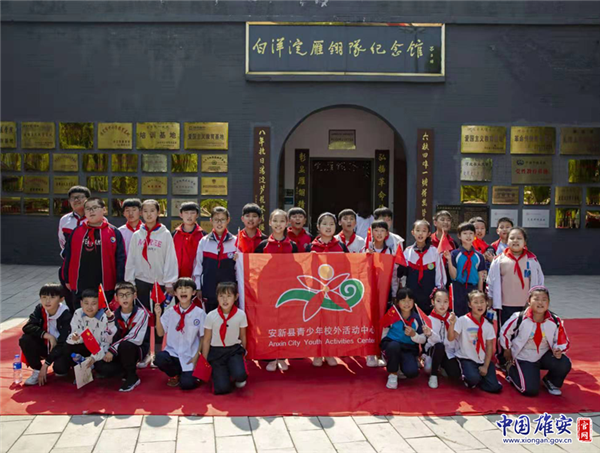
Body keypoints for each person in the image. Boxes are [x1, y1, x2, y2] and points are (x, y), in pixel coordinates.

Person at [125, 199, 178, 360]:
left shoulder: (165, 234)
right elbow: (131, 259)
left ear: (158, 213)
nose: (149, 214)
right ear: (141, 213)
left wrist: (169, 281)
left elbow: (170, 258)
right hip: (141, 280)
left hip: (159, 282)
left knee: (159, 315)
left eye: (152, 211)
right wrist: (130, 282)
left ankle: (159, 351)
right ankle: (145, 351)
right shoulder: (137, 235)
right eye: (145, 211)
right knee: (142, 316)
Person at [500, 286, 571, 396]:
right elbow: (504, 332)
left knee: (564, 363)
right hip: (524, 356)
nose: (540, 302)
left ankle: (550, 381)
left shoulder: (555, 320)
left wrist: (558, 349)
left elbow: (562, 340)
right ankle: (511, 371)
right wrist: (507, 349)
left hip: (544, 354)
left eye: (544, 299)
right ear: (529, 301)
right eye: (536, 299)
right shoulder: (519, 317)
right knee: (530, 391)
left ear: (548, 302)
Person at [62, 198, 126, 305]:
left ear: (104, 210)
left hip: (106, 286)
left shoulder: (113, 232)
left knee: (105, 313)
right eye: (88, 209)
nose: (91, 211)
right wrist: (67, 279)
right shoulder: (77, 232)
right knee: (80, 313)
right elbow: (68, 256)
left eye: (95, 208)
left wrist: (119, 283)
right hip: (80, 285)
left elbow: (120, 259)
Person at [255, 209, 298, 371]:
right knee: (269, 323)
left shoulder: (292, 246)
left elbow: (297, 268)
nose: (278, 224)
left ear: (287, 223)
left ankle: (282, 356)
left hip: (287, 292)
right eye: (275, 220)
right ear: (269, 223)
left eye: (282, 221)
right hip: (268, 292)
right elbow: (255, 268)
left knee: (285, 323)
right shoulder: (262, 245)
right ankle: (271, 356)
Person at [307, 212, 348, 367]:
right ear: (318, 227)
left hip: (334, 291)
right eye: (324, 224)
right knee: (317, 323)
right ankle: (317, 353)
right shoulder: (310, 247)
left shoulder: (341, 246)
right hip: (315, 290)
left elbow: (349, 266)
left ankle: (330, 353)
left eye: (331, 224)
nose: (328, 227)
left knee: (332, 323)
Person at [94, 282, 149, 392]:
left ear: (135, 295)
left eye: (128, 294)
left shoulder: (142, 313)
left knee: (125, 345)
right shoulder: (113, 314)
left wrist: (113, 350)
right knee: (100, 367)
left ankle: (132, 377)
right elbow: (107, 338)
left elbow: (135, 337)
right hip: (116, 351)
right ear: (116, 298)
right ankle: (123, 370)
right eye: (121, 295)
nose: (125, 298)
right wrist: (110, 322)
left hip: (135, 349)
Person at [487, 227, 544, 329]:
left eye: (519, 238)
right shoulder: (499, 260)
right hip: (505, 304)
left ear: (525, 242)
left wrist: (536, 299)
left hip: (526, 304)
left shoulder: (531, 260)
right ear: (506, 241)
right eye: (512, 238)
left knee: (524, 330)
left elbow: (539, 280)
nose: (515, 240)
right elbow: (491, 280)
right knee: (505, 330)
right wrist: (490, 298)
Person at [154, 278, 206, 390]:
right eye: (180, 288)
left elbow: (203, 337)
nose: (183, 291)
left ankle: (187, 375)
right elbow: (160, 333)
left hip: (190, 356)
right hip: (173, 354)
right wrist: (158, 316)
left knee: (187, 385)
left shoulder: (200, 313)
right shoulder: (170, 312)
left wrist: (197, 357)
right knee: (159, 359)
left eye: (187, 288)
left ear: (193, 292)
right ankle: (175, 374)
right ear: (175, 293)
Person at [447, 290, 502, 393]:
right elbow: (451, 338)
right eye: (476, 302)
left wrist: (485, 366)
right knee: (473, 379)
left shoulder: (488, 324)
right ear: (470, 304)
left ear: (486, 303)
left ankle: (481, 378)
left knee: (495, 388)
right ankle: (471, 378)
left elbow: (489, 346)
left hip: (482, 359)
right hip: (467, 359)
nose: (479, 305)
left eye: (482, 302)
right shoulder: (463, 320)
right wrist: (452, 324)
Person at [20, 283, 73, 386]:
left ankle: (59, 365)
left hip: (60, 348)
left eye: (52, 297)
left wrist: (46, 365)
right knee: (25, 339)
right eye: (44, 297)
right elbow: (27, 327)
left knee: (60, 371)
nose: (47, 301)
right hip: (45, 345)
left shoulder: (66, 315)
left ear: (61, 299)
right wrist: (48, 336)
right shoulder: (40, 309)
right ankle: (36, 370)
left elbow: (63, 342)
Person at [202, 282, 248, 394]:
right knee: (222, 389)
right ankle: (222, 374)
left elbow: (242, 335)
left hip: (233, 350)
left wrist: (243, 352)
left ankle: (235, 372)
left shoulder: (240, 314)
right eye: (221, 296)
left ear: (236, 297)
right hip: (217, 353)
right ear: (217, 297)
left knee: (240, 375)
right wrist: (204, 360)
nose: (225, 300)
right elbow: (207, 339)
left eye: (229, 296)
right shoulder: (211, 316)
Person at [380, 288, 430, 389]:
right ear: (397, 302)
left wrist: (414, 335)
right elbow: (383, 332)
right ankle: (393, 374)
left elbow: (423, 339)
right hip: (392, 345)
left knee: (412, 373)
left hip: (408, 348)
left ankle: (400, 364)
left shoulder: (417, 318)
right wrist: (384, 348)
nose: (406, 304)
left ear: (413, 301)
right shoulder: (392, 315)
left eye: (409, 300)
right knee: (394, 346)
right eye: (403, 300)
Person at [193, 206, 238, 314]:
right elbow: (198, 266)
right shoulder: (204, 241)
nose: (219, 223)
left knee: (228, 317)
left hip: (229, 290)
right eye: (216, 220)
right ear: (211, 221)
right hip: (209, 288)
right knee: (210, 317)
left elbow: (238, 269)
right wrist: (198, 287)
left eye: (222, 219)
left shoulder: (235, 242)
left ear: (228, 220)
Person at [399, 220, 446, 315]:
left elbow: (440, 275)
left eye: (424, 231)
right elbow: (403, 276)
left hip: (429, 294)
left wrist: (438, 292)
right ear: (413, 232)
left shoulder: (435, 252)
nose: (420, 233)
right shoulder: (407, 252)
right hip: (411, 295)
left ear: (429, 233)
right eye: (418, 230)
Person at [65, 289, 116, 372]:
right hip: (85, 345)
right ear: (81, 303)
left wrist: (93, 358)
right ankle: (80, 367)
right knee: (67, 347)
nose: (89, 307)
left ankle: (92, 365)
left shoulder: (105, 318)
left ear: (99, 304)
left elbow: (106, 343)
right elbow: (74, 333)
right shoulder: (78, 313)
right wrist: (74, 337)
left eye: (94, 304)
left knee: (104, 369)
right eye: (86, 303)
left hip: (100, 349)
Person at [58, 185, 91, 312]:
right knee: (71, 300)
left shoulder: (96, 218)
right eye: (73, 198)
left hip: (89, 267)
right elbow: (62, 242)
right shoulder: (65, 220)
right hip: (69, 266)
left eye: (80, 197)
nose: (76, 200)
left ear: (87, 199)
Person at [443, 222, 486, 317]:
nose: (468, 236)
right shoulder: (454, 254)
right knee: (458, 315)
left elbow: (480, 277)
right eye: (465, 233)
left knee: (473, 315)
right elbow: (453, 276)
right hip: (458, 288)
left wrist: (480, 293)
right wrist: (449, 260)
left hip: (473, 288)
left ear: (474, 236)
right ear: (459, 236)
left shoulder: (479, 256)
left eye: (471, 233)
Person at [423, 288, 461, 389]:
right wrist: (430, 333)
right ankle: (433, 375)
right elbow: (435, 341)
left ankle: (441, 365)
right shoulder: (429, 319)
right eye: (439, 301)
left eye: (445, 301)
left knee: (455, 374)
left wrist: (452, 324)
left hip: (449, 351)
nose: (442, 305)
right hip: (434, 349)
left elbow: (454, 340)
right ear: (433, 302)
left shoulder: (453, 318)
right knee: (439, 346)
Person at [172, 201, 205, 279]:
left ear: (197, 215)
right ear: (181, 215)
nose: (189, 216)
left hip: (196, 279)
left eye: (192, 213)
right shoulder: (174, 235)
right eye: (186, 213)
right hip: (176, 279)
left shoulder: (203, 236)